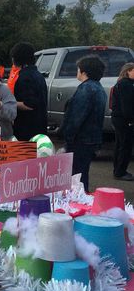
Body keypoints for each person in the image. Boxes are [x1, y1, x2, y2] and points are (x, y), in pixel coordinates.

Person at [61, 55, 107, 192]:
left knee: (76, 177)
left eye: (78, 69)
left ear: (84, 72)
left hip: (80, 140)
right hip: (92, 139)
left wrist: (66, 137)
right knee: (83, 174)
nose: (77, 72)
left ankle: (78, 202)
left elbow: (76, 117)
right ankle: (82, 197)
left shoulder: (86, 89)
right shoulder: (99, 89)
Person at [11, 42, 48, 141]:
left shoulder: (25, 77)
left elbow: (29, 105)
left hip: (27, 130)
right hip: (41, 126)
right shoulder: (39, 75)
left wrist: (10, 102)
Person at [111, 62, 134, 181]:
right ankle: (120, 171)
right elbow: (127, 105)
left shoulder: (121, 84)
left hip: (119, 118)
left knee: (120, 145)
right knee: (125, 146)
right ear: (128, 71)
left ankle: (118, 170)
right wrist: (130, 119)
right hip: (124, 120)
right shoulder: (126, 85)